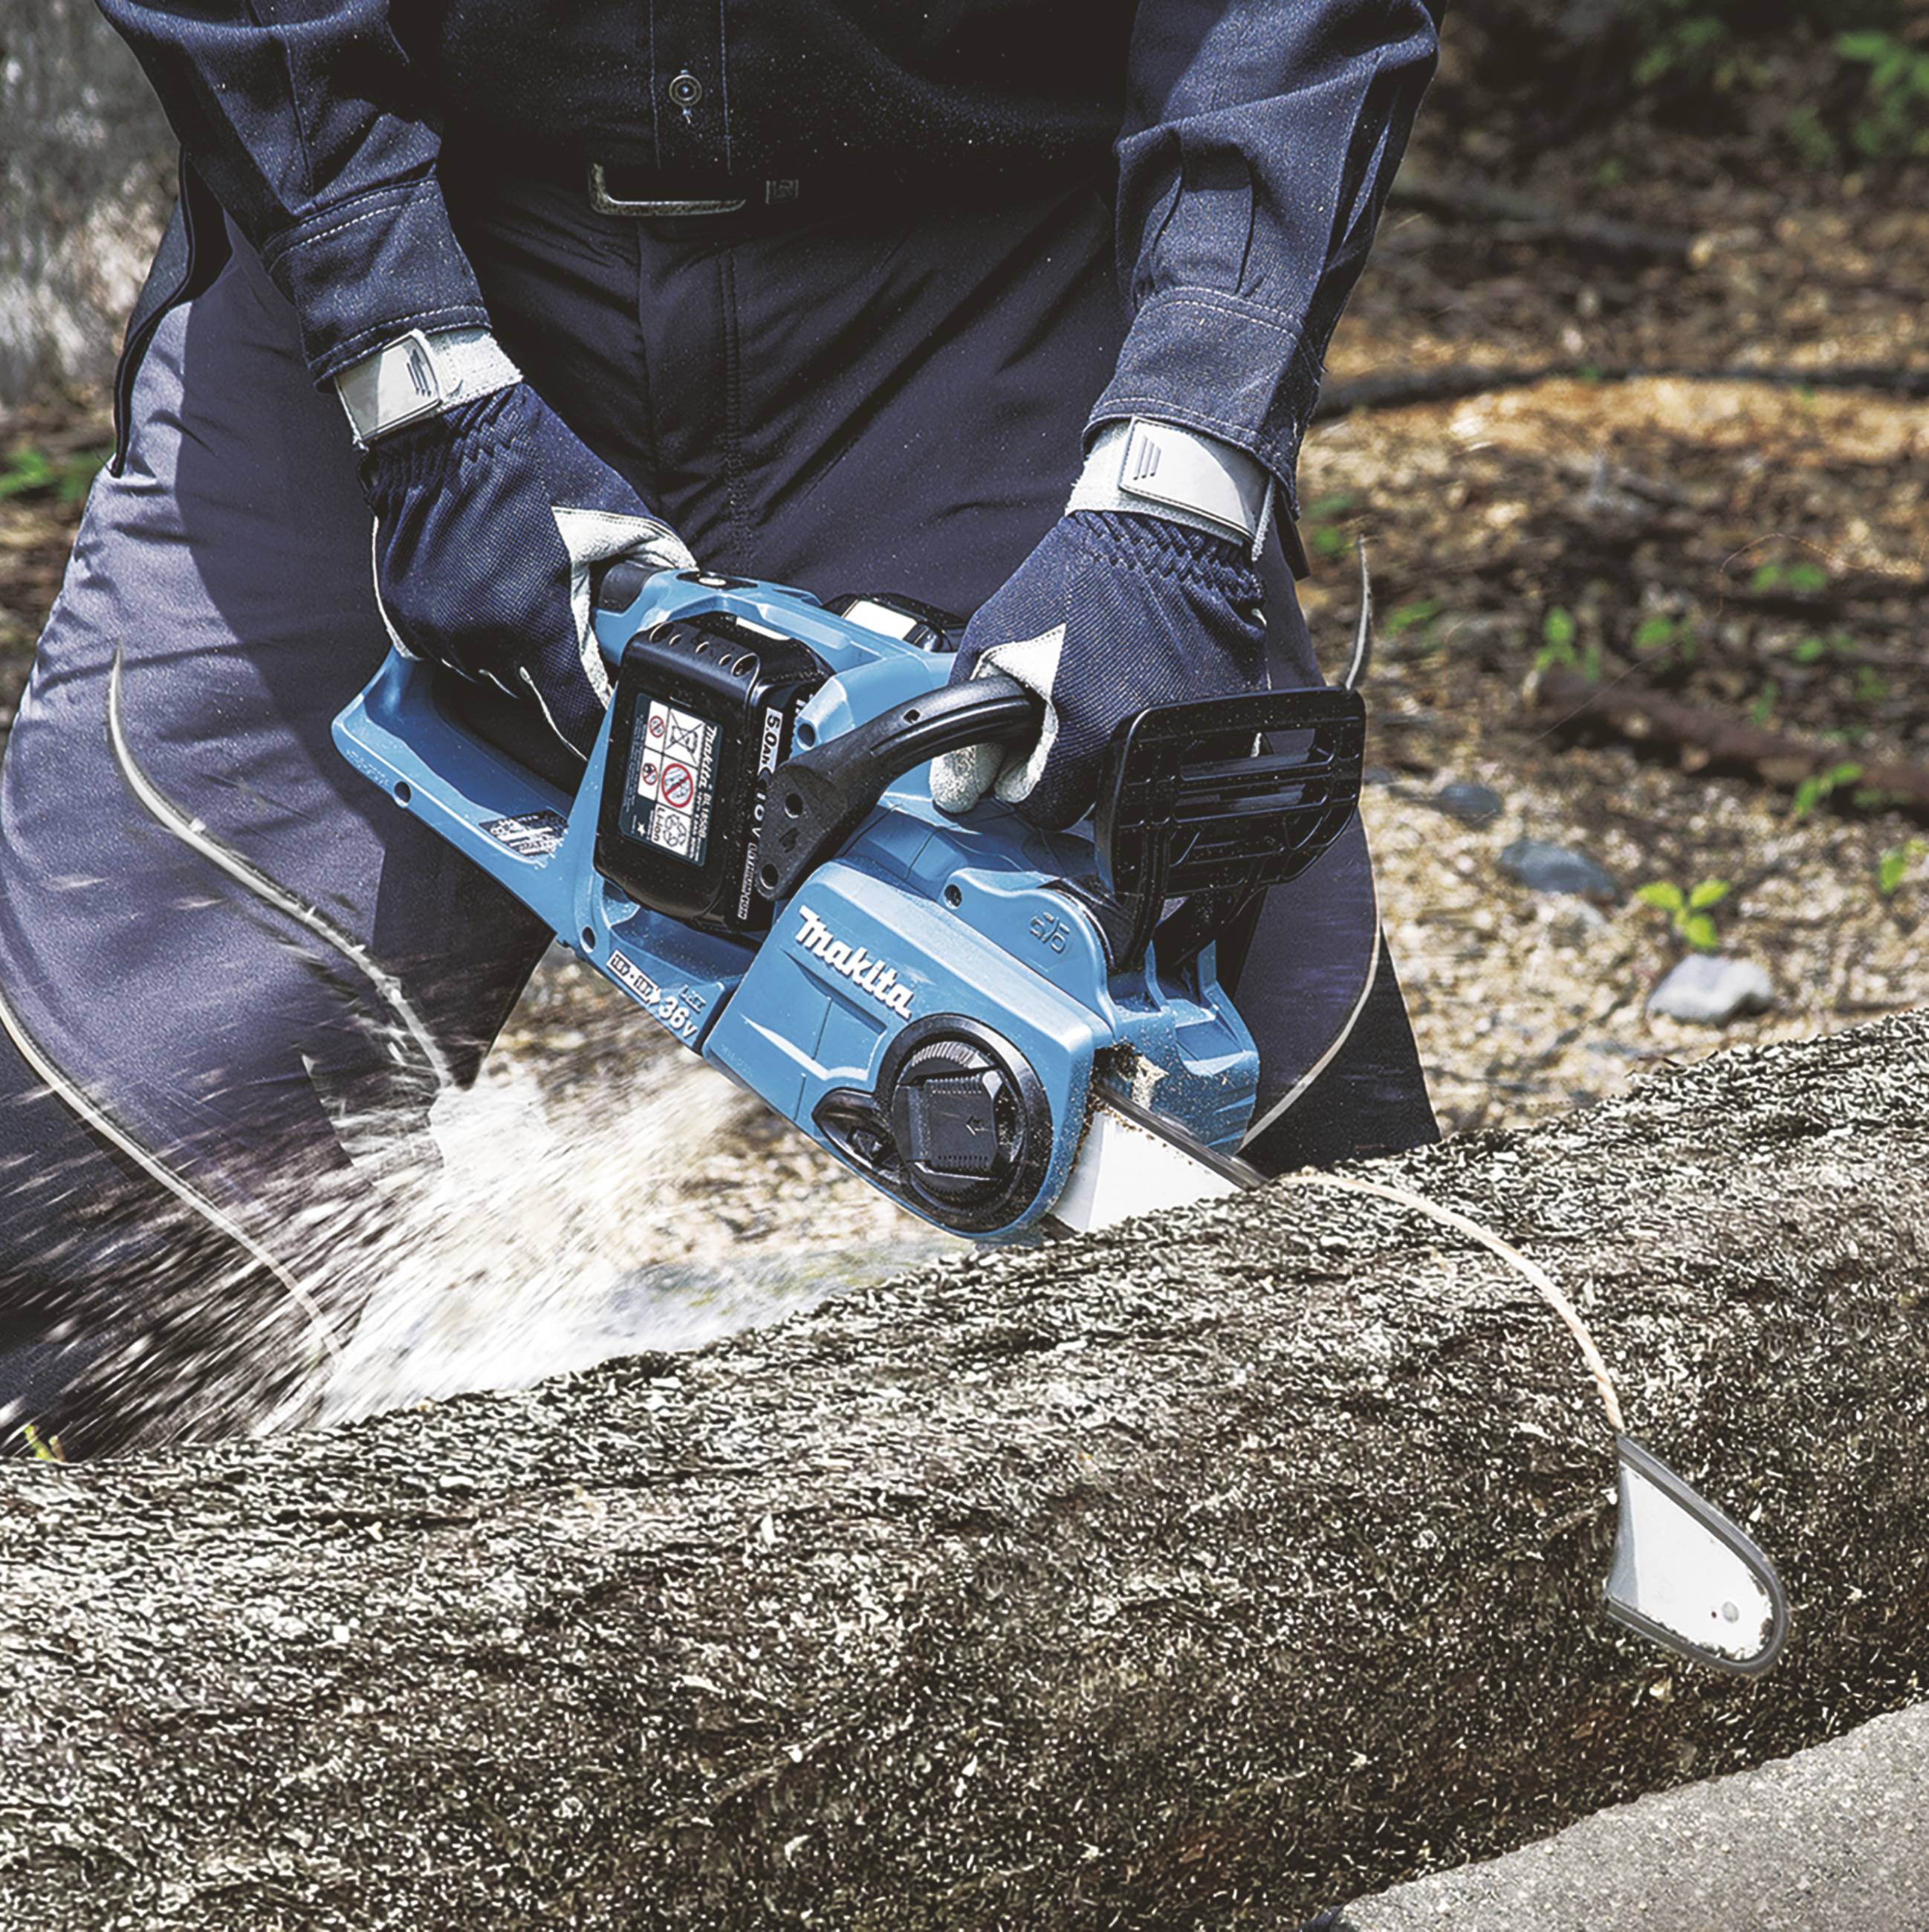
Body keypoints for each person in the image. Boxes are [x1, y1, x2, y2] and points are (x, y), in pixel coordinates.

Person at [0, 0, 1447, 1458]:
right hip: (401, 241)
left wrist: (1181, 491)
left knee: (1302, 1238)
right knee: (104, 1186)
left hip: (997, 280)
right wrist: (405, 368)